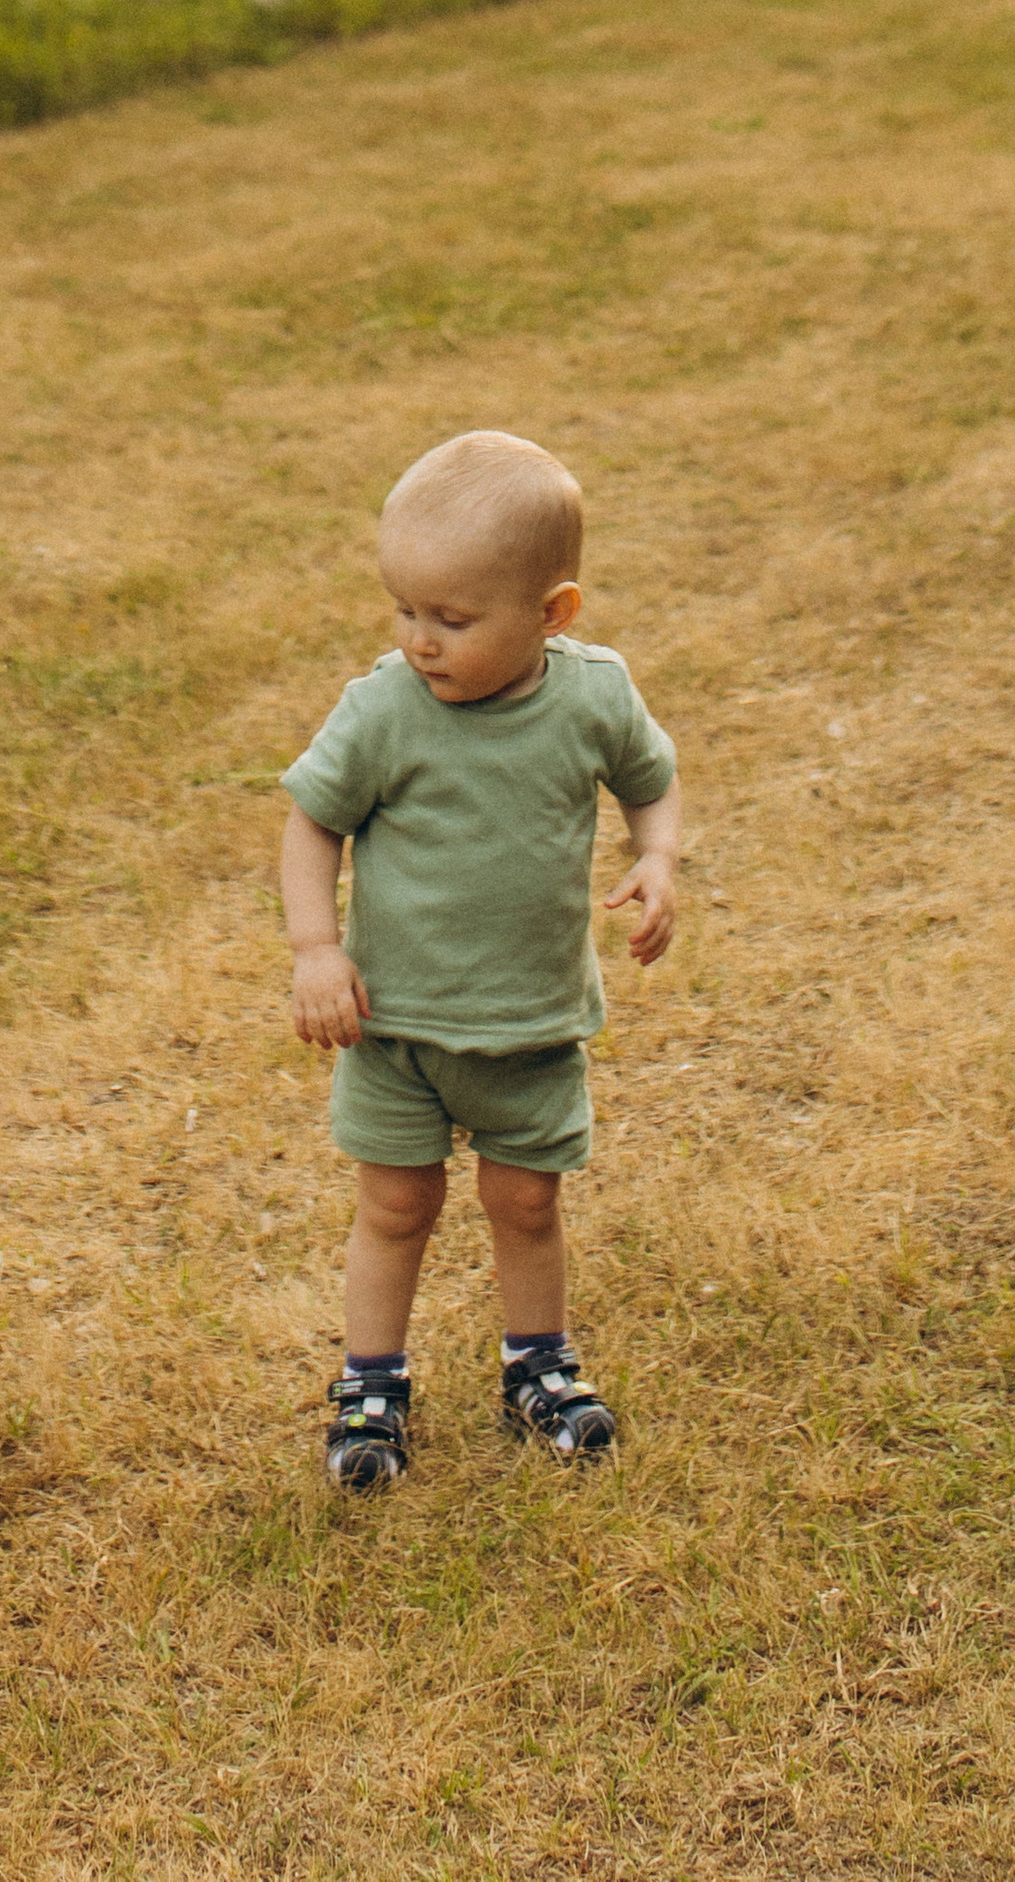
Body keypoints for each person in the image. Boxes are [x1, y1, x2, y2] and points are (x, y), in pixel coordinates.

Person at [279, 429, 681, 1492]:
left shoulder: (591, 697)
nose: (420, 641)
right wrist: (316, 948)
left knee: (526, 1203)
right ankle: (371, 1382)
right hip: (395, 1030)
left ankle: (536, 1366)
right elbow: (312, 824)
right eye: (404, 610)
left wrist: (657, 859)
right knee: (395, 1206)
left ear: (552, 614)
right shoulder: (383, 709)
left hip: (532, 1025)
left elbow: (652, 775)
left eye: (452, 620)